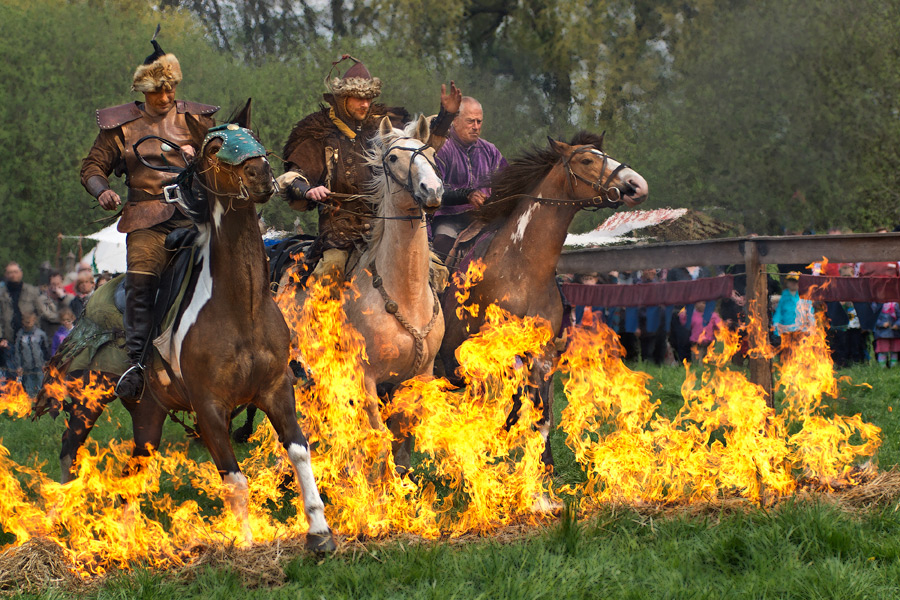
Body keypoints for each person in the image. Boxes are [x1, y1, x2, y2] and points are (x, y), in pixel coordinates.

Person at [79, 27, 218, 400]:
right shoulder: (120, 127)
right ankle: (136, 365)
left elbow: (223, 160)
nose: (166, 96)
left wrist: (204, 160)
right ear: (143, 90)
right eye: (157, 90)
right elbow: (91, 168)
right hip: (146, 219)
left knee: (240, 265)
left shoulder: (196, 120)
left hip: (195, 214)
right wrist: (103, 190)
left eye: (170, 88)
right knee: (142, 285)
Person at [279, 55, 461, 284]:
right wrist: (308, 190)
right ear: (341, 98)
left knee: (437, 272)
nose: (365, 105)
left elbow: (418, 148)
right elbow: (293, 176)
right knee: (328, 278)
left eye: (369, 98)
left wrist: (446, 116)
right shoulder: (318, 131)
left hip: (385, 229)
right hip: (340, 234)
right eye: (357, 98)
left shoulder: (383, 127)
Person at [431, 96, 508, 257]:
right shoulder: (442, 149)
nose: (475, 127)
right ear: (455, 121)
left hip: (483, 218)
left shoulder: (490, 150)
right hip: (449, 218)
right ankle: (441, 282)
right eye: (470, 121)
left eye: (479, 122)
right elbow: (435, 191)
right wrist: (467, 195)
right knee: (441, 247)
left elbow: (507, 181)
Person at [0, 261, 58, 375]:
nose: (13, 275)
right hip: (9, 341)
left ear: (20, 273)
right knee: (12, 376)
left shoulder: (32, 291)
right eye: (10, 272)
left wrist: (58, 317)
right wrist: (1, 338)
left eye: (15, 272)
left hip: (31, 340)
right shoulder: (1, 293)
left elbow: (43, 312)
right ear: (6, 274)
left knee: (32, 375)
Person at [772, 272, 814, 362]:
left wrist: (812, 325)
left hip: (801, 328)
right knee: (787, 348)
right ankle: (787, 363)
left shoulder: (805, 295)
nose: (793, 283)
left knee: (800, 347)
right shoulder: (784, 296)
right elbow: (779, 312)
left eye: (795, 281)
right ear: (787, 283)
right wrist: (775, 323)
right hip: (786, 328)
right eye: (791, 281)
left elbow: (810, 311)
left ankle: (799, 363)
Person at [14, 313, 50, 397]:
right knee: (28, 385)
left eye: (30, 321)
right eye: (26, 322)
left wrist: (45, 363)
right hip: (26, 365)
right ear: (22, 322)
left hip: (39, 364)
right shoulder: (20, 335)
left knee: (40, 384)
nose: (28, 323)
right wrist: (18, 365)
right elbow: (17, 351)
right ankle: (30, 401)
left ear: (34, 321)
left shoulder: (40, 334)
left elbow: (45, 349)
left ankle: (41, 400)